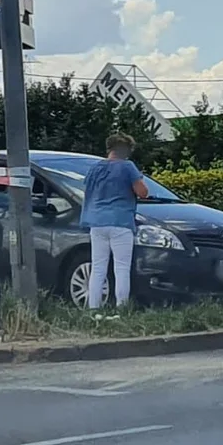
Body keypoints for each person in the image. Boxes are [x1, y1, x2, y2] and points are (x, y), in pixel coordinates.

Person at [80, 132, 149, 312]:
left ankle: (94, 309)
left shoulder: (95, 168)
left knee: (98, 267)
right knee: (121, 267)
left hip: (96, 222)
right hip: (120, 221)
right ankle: (122, 308)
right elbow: (143, 192)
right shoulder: (127, 166)